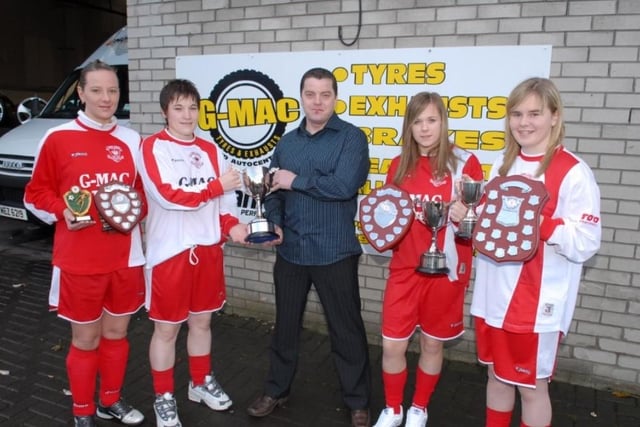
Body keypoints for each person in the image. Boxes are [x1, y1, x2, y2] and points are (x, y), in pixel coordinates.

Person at [470, 77, 601, 427]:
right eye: (516, 114)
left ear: (555, 117)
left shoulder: (573, 171)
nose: (524, 122)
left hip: (535, 304)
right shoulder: (501, 164)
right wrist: (465, 217)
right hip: (491, 294)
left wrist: (543, 225)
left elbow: (587, 241)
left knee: (531, 387)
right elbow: (488, 223)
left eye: (534, 113)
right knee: (496, 377)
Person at [246, 67, 372, 427]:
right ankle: (276, 389)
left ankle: (358, 400)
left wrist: (295, 180)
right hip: (291, 252)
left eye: (325, 94)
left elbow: (344, 186)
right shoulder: (287, 142)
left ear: (335, 98)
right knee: (285, 327)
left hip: (334, 251)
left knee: (346, 331)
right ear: (301, 96)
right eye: (311, 94)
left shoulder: (352, 138)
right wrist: (276, 223)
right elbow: (270, 191)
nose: (317, 101)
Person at [23, 60, 146, 427]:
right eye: (97, 90)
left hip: (126, 256)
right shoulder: (58, 138)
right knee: (86, 339)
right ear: (80, 93)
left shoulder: (132, 140)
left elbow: (140, 195)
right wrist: (63, 211)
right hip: (79, 260)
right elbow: (35, 194)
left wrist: (136, 214)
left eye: (112, 90)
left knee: (117, 334)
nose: (106, 98)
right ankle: (82, 411)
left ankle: (110, 400)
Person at [137, 79, 249, 427]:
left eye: (192, 107)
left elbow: (224, 204)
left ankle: (199, 382)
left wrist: (233, 227)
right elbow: (168, 196)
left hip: (207, 250)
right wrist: (217, 186)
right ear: (165, 112)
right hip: (169, 252)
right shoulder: (151, 147)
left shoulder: (211, 149)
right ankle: (164, 396)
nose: (187, 115)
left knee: (202, 322)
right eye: (178, 107)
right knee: (167, 330)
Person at [371, 92, 483, 427]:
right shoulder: (398, 164)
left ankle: (419, 407)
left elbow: (474, 230)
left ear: (443, 122)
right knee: (392, 346)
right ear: (409, 126)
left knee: (432, 345)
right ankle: (393, 409)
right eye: (417, 121)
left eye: (431, 120)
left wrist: (465, 216)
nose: (424, 128)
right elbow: (386, 217)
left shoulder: (464, 163)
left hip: (445, 270)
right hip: (405, 269)